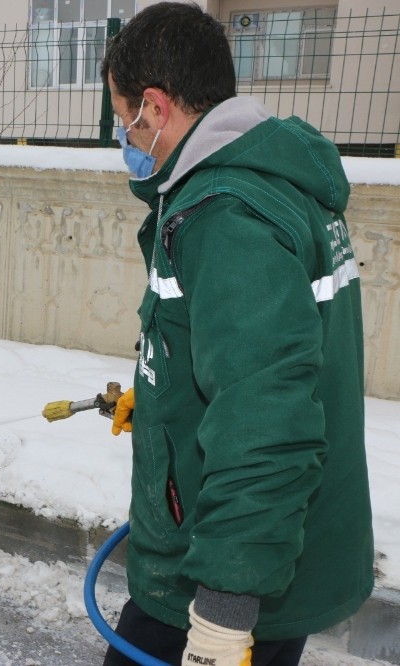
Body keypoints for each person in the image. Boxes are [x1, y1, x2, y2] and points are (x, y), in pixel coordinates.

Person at [98, 2, 374, 665]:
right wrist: (162, 405)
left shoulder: (227, 216)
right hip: (256, 550)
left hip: (233, 579)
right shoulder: (263, 185)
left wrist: (223, 617)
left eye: (122, 119)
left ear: (155, 109)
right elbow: (251, 361)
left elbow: (267, 423)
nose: (124, 138)